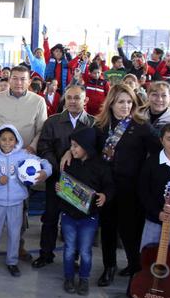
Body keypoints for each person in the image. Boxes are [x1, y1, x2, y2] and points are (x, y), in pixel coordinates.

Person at [65, 84, 155, 287]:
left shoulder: (141, 125)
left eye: (129, 102)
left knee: (130, 231)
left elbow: (159, 151)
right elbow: (83, 145)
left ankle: (135, 268)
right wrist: (68, 151)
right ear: (111, 103)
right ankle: (109, 267)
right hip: (105, 187)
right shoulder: (100, 126)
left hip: (130, 189)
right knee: (107, 229)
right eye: (121, 101)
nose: (125, 106)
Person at [0, 65, 48, 261]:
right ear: (8, 79)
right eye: (15, 78)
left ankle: (18, 244)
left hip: (23, 162)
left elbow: (41, 129)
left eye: (23, 79)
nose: (19, 82)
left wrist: (32, 148)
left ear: (29, 81)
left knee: (22, 206)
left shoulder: (39, 101)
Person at [33, 85, 96, 269]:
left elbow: (96, 151)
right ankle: (46, 254)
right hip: (56, 179)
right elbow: (44, 147)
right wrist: (58, 165)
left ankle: (74, 258)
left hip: (81, 183)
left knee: (77, 220)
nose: (73, 101)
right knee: (50, 217)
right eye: (69, 98)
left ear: (86, 101)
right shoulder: (52, 123)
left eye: (77, 98)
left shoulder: (94, 123)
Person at [0, 125, 51, 277]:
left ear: (16, 140)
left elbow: (44, 162)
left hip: (17, 202)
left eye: (11, 139)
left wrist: (45, 172)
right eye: (3, 139)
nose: (7, 142)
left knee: (14, 232)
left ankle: (12, 262)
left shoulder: (23, 155)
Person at [58, 128, 114, 295]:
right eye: (71, 146)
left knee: (85, 251)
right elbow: (63, 185)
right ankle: (68, 277)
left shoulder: (100, 167)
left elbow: (110, 186)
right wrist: (59, 188)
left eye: (76, 146)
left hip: (89, 218)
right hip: (68, 215)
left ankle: (84, 279)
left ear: (87, 147)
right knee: (68, 250)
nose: (72, 150)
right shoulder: (69, 163)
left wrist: (105, 196)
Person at [138, 123, 170, 273]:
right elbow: (143, 191)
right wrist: (157, 212)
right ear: (161, 140)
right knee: (149, 259)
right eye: (169, 139)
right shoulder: (151, 163)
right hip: (155, 220)